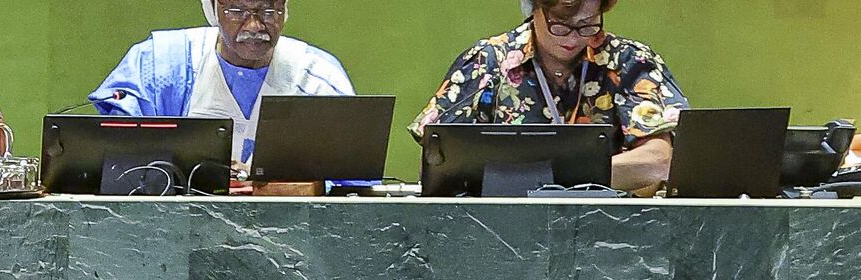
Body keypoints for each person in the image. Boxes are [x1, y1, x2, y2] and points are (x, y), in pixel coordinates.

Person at [409, 0, 689, 192]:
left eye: (587, 24)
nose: (572, 38)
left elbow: (660, 161)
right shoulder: (488, 62)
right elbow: (437, 166)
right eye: (560, 25)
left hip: (609, 231)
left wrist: (551, 178)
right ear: (534, 9)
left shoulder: (629, 61)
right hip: (501, 230)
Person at [88, 0, 354, 166]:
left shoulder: (319, 79)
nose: (254, 25)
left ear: (285, 11)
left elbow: (350, 188)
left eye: (269, 10)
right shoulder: (159, 65)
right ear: (213, 8)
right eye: (237, 10)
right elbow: (120, 155)